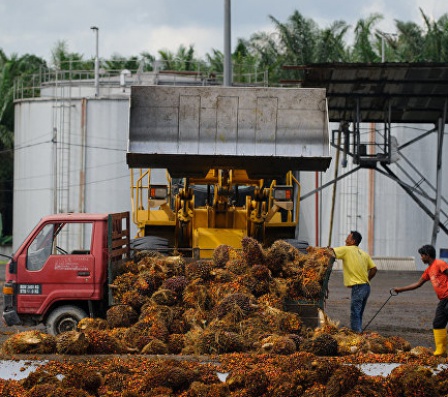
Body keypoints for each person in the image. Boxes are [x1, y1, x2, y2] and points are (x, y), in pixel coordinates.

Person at [393, 244, 448, 357]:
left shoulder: (440, 264)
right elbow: (418, 284)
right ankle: (441, 350)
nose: (421, 258)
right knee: (438, 323)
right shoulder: (428, 270)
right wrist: (400, 290)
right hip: (443, 300)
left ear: (427, 255)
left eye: (422, 255)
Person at [331, 231, 377, 333]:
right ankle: (359, 332)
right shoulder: (364, 254)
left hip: (358, 287)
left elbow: (330, 252)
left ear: (353, 241)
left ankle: (357, 335)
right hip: (366, 287)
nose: (345, 240)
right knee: (359, 312)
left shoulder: (347, 249)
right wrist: (367, 279)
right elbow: (374, 269)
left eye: (347, 238)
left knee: (355, 312)